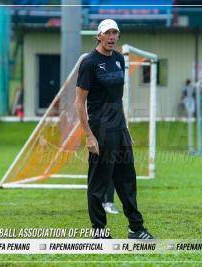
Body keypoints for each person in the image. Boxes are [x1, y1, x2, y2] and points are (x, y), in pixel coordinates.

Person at [75, 19, 154, 239]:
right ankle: (99, 231)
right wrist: (89, 136)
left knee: (127, 179)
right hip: (100, 130)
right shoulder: (89, 63)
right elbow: (79, 103)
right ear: (99, 36)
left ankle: (136, 229)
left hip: (119, 129)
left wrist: (124, 130)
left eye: (115, 33)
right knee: (99, 183)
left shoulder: (119, 59)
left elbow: (117, 98)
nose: (111, 37)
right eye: (107, 33)